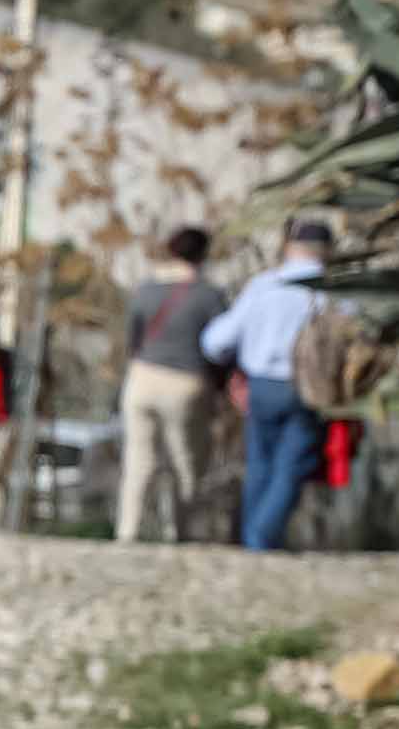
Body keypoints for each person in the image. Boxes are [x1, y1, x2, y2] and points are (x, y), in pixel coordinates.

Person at [206, 213, 339, 551]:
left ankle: (253, 540)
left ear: (290, 247)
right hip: (308, 388)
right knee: (291, 466)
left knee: (261, 465)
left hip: (261, 385)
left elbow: (217, 340)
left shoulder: (264, 285)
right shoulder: (336, 292)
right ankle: (261, 538)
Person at [112, 221, 230, 545]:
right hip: (187, 383)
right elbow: (221, 348)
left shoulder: (146, 290)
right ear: (204, 254)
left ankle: (128, 531)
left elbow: (131, 340)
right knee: (185, 463)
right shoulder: (209, 296)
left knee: (138, 461)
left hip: (142, 378)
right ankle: (178, 531)